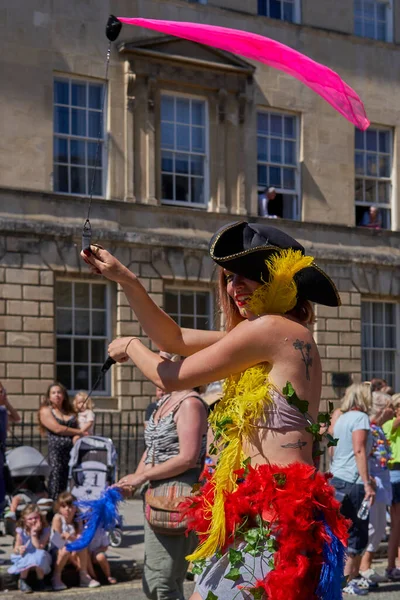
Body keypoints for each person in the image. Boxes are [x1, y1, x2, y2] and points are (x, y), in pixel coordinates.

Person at [81, 221, 349, 600]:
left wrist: (130, 345)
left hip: (275, 513)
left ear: (277, 280)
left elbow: (173, 375)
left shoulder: (272, 329)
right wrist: (125, 278)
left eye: (248, 276)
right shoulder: (264, 334)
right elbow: (173, 339)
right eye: (228, 277)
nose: (234, 287)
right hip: (256, 509)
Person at [116, 352, 208, 600]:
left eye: (163, 359)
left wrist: (140, 478)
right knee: (154, 581)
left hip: (176, 494)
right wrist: (134, 480)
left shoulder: (190, 403)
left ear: (180, 365)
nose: (154, 364)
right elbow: (152, 449)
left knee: (163, 584)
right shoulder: (164, 402)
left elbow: (188, 458)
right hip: (156, 492)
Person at [330, 383, 375, 595]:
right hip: (353, 482)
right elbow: (359, 450)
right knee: (356, 533)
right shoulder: (360, 418)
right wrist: (367, 483)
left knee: (341, 531)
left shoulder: (341, 418)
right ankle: (347, 581)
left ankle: (342, 579)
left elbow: (332, 450)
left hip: (337, 477)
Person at [359, 392, 393, 585]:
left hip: (382, 482)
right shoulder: (368, 429)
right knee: (372, 526)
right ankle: (362, 567)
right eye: (388, 407)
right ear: (380, 410)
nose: (391, 411)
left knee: (379, 527)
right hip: (373, 483)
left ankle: (366, 566)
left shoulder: (377, 429)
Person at [38, 383, 87, 500]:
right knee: (56, 478)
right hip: (57, 452)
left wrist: (77, 436)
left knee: (72, 480)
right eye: (53, 393)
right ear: (49, 397)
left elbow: (77, 430)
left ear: (64, 395)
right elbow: (57, 428)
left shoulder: (69, 411)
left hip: (73, 451)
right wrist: (79, 431)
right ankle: (54, 507)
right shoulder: (46, 410)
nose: (57, 395)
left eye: (59, 392)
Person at [50, 491, 100, 590]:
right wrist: (72, 554)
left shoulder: (78, 520)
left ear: (75, 508)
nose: (67, 510)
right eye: (63, 506)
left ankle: (83, 576)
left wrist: (70, 537)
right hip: (58, 550)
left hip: (73, 549)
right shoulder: (58, 518)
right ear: (59, 508)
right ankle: (56, 577)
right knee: (65, 550)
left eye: (70, 507)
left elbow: (81, 538)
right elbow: (57, 540)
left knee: (82, 546)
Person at [8, 503, 51, 593]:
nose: (33, 521)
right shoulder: (21, 530)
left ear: (40, 517)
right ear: (24, 520)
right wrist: (19, 549)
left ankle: (41, 581)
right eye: (30, 519)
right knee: (27, 556)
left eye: (36, 518)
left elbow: (39, 547)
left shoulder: (45, 529)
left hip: (40, 554)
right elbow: (16, 548)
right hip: (26, 556)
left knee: (40, 555)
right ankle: (23, 580)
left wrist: (34, 533)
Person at [382, 392, 400, 581]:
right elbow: (393, 426)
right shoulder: (389, 424)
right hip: (395, 473)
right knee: (396, 524)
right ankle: (390, 565)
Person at [0, 382, 21, 512]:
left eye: (2, 391)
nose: (1, 394)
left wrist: (6, 402)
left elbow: (16, 418)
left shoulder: (2, 411)